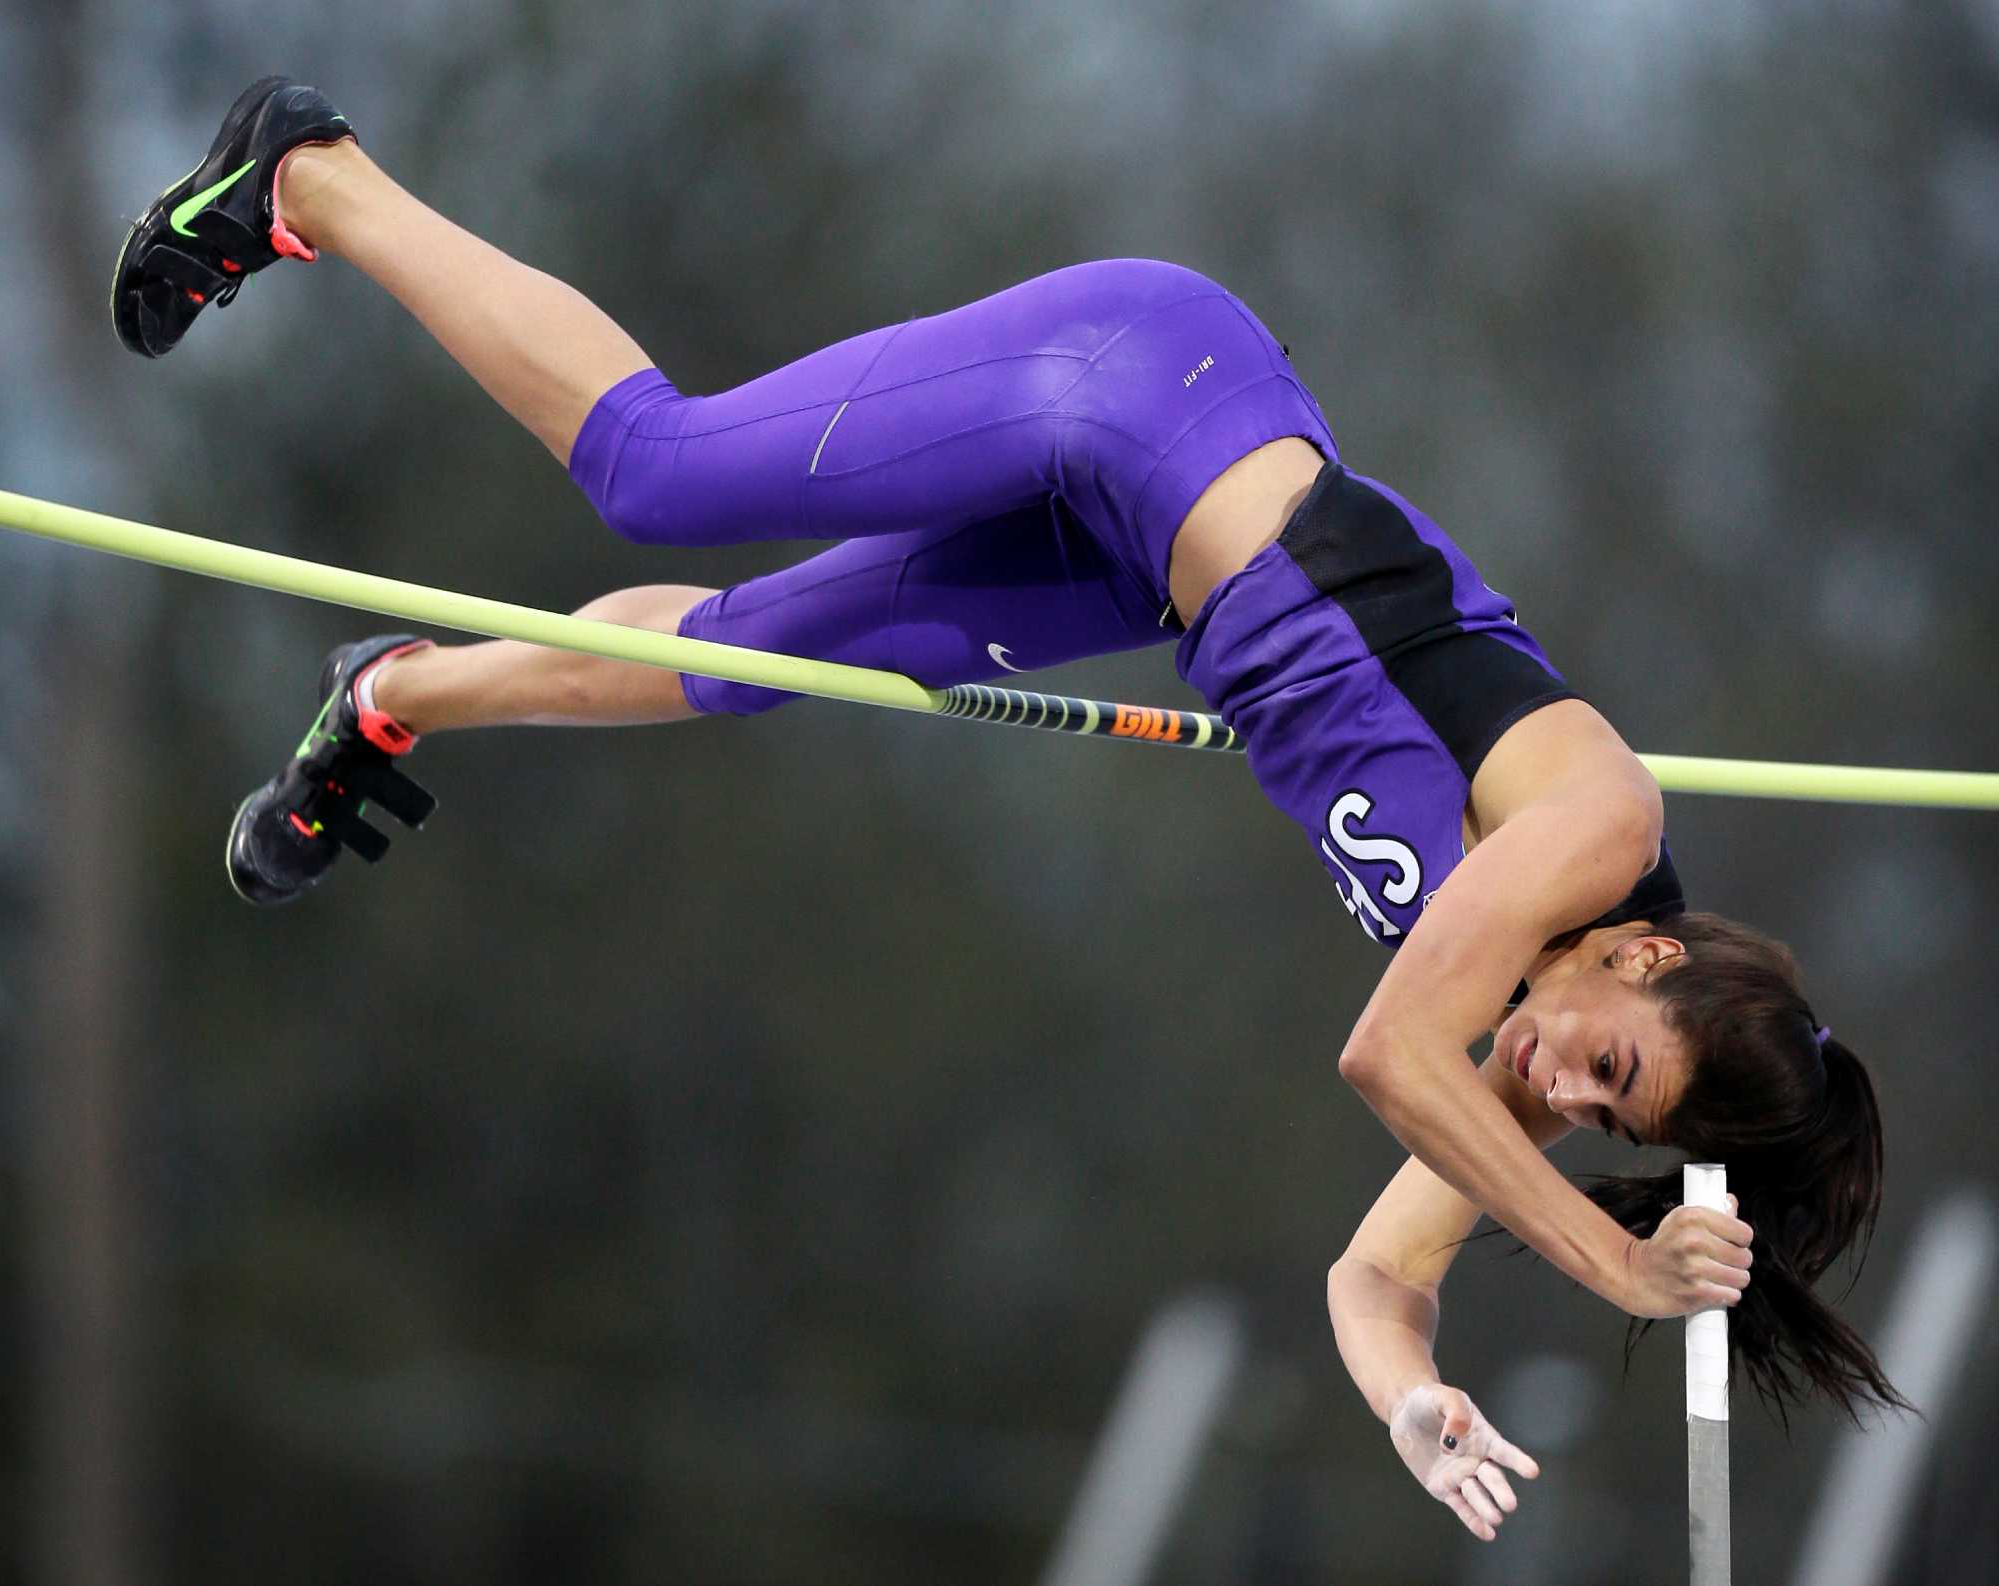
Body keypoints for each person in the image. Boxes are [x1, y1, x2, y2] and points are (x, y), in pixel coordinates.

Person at [113, 77, 1905, 1541]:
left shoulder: (1510, 1068)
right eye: (1612, 1062)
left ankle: (391, 698)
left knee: (745, 661)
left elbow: (1381, 1282)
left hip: (1141, 553)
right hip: (1139, 393)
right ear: (1646, 949)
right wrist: (1608, 1259)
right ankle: (313, 175)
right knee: (658, 474)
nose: (1564, 1085)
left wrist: (1419, 1405)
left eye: (1603, 1115)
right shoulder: (1592, 822)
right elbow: (1387, 1059)